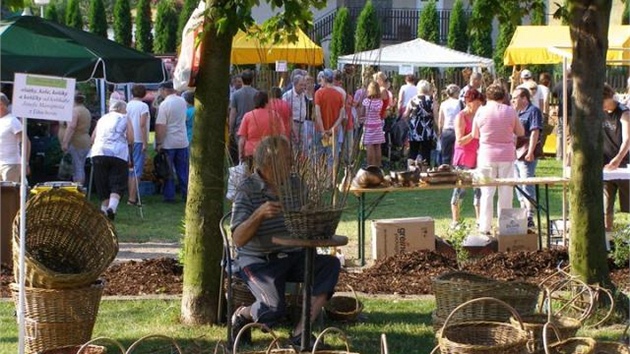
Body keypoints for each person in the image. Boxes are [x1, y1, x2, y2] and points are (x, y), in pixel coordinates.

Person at [230, 135, 340, 348]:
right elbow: (238, 238)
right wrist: (259, 214)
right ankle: (242, 315)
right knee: (272, 309)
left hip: (293, 255)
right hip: (259, 260)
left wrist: (315, 217)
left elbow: (308, 214)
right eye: (287, 158)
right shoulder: (248, 189)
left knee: (329, 266)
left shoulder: (296, 185)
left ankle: (300, 333)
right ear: (270, 163)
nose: (293, 161)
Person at [472, 84, 524, 235]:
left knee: (487, 192)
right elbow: (520, 131)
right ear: (503, 97)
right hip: (507, 155)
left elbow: (475, 134)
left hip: (486, 155)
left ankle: (484, 227)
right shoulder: (510, 111)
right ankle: (506, 227)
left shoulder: (481, 111)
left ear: (487, 97)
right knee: (506, 192)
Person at [90, 100, 133, 220]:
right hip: (118, 153)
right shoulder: (125, 118)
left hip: (99, 152)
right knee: (117, 181)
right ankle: (112, 208)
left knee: (102, 182)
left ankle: (104, 212)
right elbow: (130, 138)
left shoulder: (102, 119)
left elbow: (93, 138)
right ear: (121, 109)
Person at [450, 89, 484, 227]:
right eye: (478, 103)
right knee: (460, 189)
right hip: (463, 156)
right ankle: (456, 221)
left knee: (480, 189)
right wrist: (473, 133)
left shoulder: (480, 115)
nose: (480, 105)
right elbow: (460, 140)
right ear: (469, 102)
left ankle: (480, 220)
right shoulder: (461, 116)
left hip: (478, 156)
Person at [512, 87, 544, 228]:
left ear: (524, 98)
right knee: (518, 183)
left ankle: (529, 215)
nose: (513, 100)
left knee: (527, 182)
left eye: (515, 97)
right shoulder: (515, 112)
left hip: (526, 153)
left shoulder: (533, 111)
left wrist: (530, 151)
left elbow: (534, 132)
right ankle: (523, 213)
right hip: (515, 153)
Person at [155, 81, 189, 203]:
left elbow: (161, 125)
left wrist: (159, 142)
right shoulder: (182, 102)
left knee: (168, 170)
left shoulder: (165, 104)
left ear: (164, 90)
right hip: (182, 140)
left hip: (169, 142)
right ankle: (186, 193)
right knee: (183, 170)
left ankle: (170, 196)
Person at [602, 84, 630, 231]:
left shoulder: (624, 113)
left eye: (602, 102)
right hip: (606, 166)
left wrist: (618, 159)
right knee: (606, 205)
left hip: (625, 165)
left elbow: (627, 140)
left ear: (608, 97)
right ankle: (607, 235)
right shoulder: (599, 113)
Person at [237, 91, 287, 167]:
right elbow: (282, 136)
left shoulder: (248, 116)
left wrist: (241, 155)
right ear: (267, 101)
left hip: (251, 153)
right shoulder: (275, 115)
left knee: (251, 176)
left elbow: (242, 139)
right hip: (270, 152)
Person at [59, 93, 92, 185]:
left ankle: (78, 189)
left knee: (77, 167)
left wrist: (65, 142)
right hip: (85, 141)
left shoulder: (75, 111)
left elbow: (71, 127)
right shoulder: (86, 110)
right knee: (80, 166)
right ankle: (79, 188)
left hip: (76, 142)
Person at [125, 85, 150, 205]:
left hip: (128, 139)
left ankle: (131, 196)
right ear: (144, 94)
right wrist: (145, 142)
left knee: (131, 169)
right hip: (139, 139)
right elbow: (142, 124)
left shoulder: (127, 105)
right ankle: (132, 198)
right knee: (137, 170)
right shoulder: (143, 106)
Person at [314, 69, 344, 166]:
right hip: (333, 132)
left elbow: (318, 114)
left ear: (324, 78)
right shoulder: (339, 95)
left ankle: (317, 180)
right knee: (331, 158)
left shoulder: (318, 93)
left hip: (320, 131)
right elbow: (341, 116)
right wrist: (332, 129)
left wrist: (323, 131)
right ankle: (330, 180)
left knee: (318, 157)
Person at [403, 80, 437, 165]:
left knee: (413, 151)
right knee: (426, 152)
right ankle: (425, 172)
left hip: (414, 130)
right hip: (427, 130)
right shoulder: (432, 100)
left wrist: (408, 123)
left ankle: (410, 171)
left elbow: (405, 115)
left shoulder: (412, 100)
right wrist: (438, 128)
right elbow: (436, 115)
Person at [229, 70, 258, 164]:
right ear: (252, 80)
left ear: (242, 79)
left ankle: (241, 173)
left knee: (240, 154)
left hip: (239, 127)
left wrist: (230, 129)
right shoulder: (256, 94)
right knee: (252, 153)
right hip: (254, 127)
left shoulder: (236, 94)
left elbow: (233, 113)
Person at [0, 93, 29, 182]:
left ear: (1, 104)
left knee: (8, 194)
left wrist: (26, 163)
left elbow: (26, 142)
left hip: (11, 165)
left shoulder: (13, 121)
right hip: (2, 163)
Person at [359, 81, 385, 166]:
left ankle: (370, 165)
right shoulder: (380, 102)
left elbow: (362, 113)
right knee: (377, 146)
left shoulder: (366, 101)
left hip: (369, 126)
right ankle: (378, 165)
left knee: (369, 146)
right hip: (378, 125)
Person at [438, 84, 461, 165]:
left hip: (446, 130)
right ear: (457, 93)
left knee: (446, 155)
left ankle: (445, 172)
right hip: (458, 130)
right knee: (457, 154)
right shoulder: (459, 103)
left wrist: (440, 132)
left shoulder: (443, 104)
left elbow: (441, 120)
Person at [282, 75, 307, 147]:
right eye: (301, 85)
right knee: (294, 145)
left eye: (303, 85)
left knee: (301, 146)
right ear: (295, 84)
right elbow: (285, 112)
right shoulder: (287, 96)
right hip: (293, 123)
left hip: (302, 124)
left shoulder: (303, 94)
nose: (303, 87)